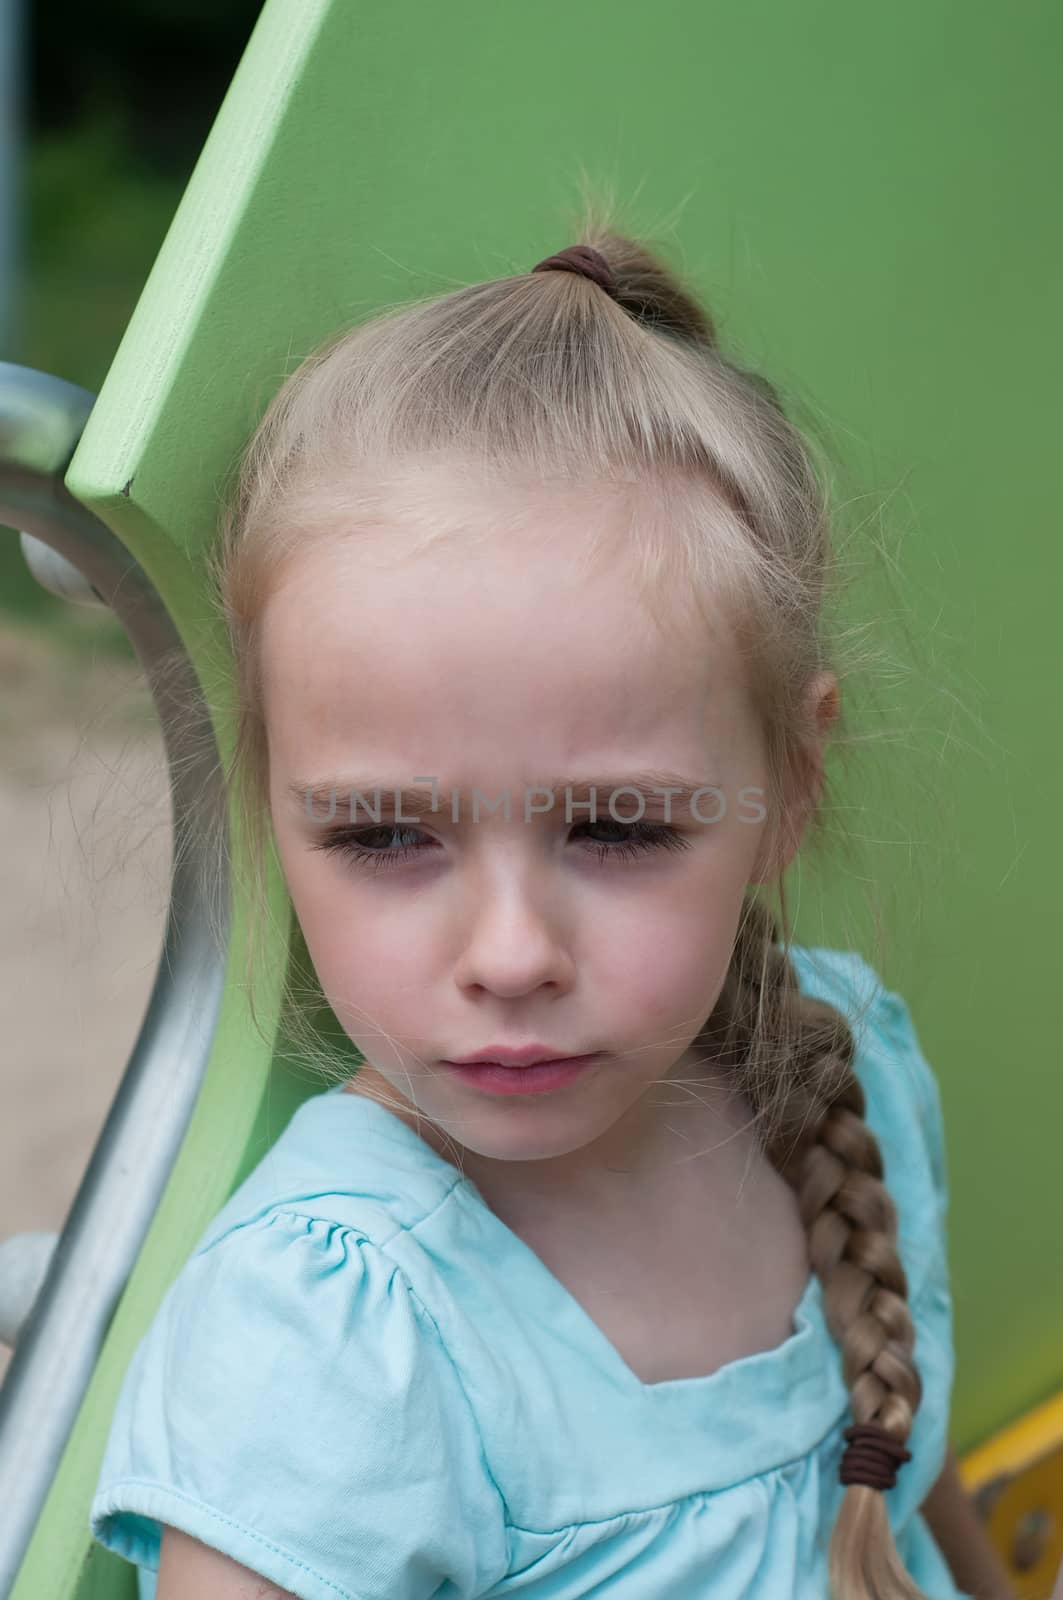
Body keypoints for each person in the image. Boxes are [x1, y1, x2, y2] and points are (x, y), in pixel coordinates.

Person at [87, 208, 1017, 1600]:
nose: (511, 956)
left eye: (619, 828)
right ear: (269, 806)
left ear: (790, 783)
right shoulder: (334, 1344)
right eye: (387, 833)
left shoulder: (854, 1069)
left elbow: (911, 1469)